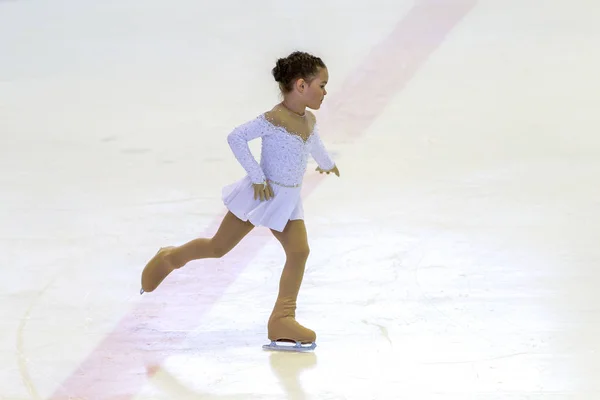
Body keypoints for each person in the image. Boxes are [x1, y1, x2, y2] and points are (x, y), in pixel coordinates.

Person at [140, 51, 340, 351]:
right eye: (321, 85)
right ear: (301, 86)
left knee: (299, 252)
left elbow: (314, 144)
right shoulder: (273, 120)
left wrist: (326, 162)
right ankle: (169, 258)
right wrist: (257, 177)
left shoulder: (308, 120)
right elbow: (236, 137)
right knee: (218, 248)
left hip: (286, 200)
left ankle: (282, 319)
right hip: (261, 195)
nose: (325, 92)